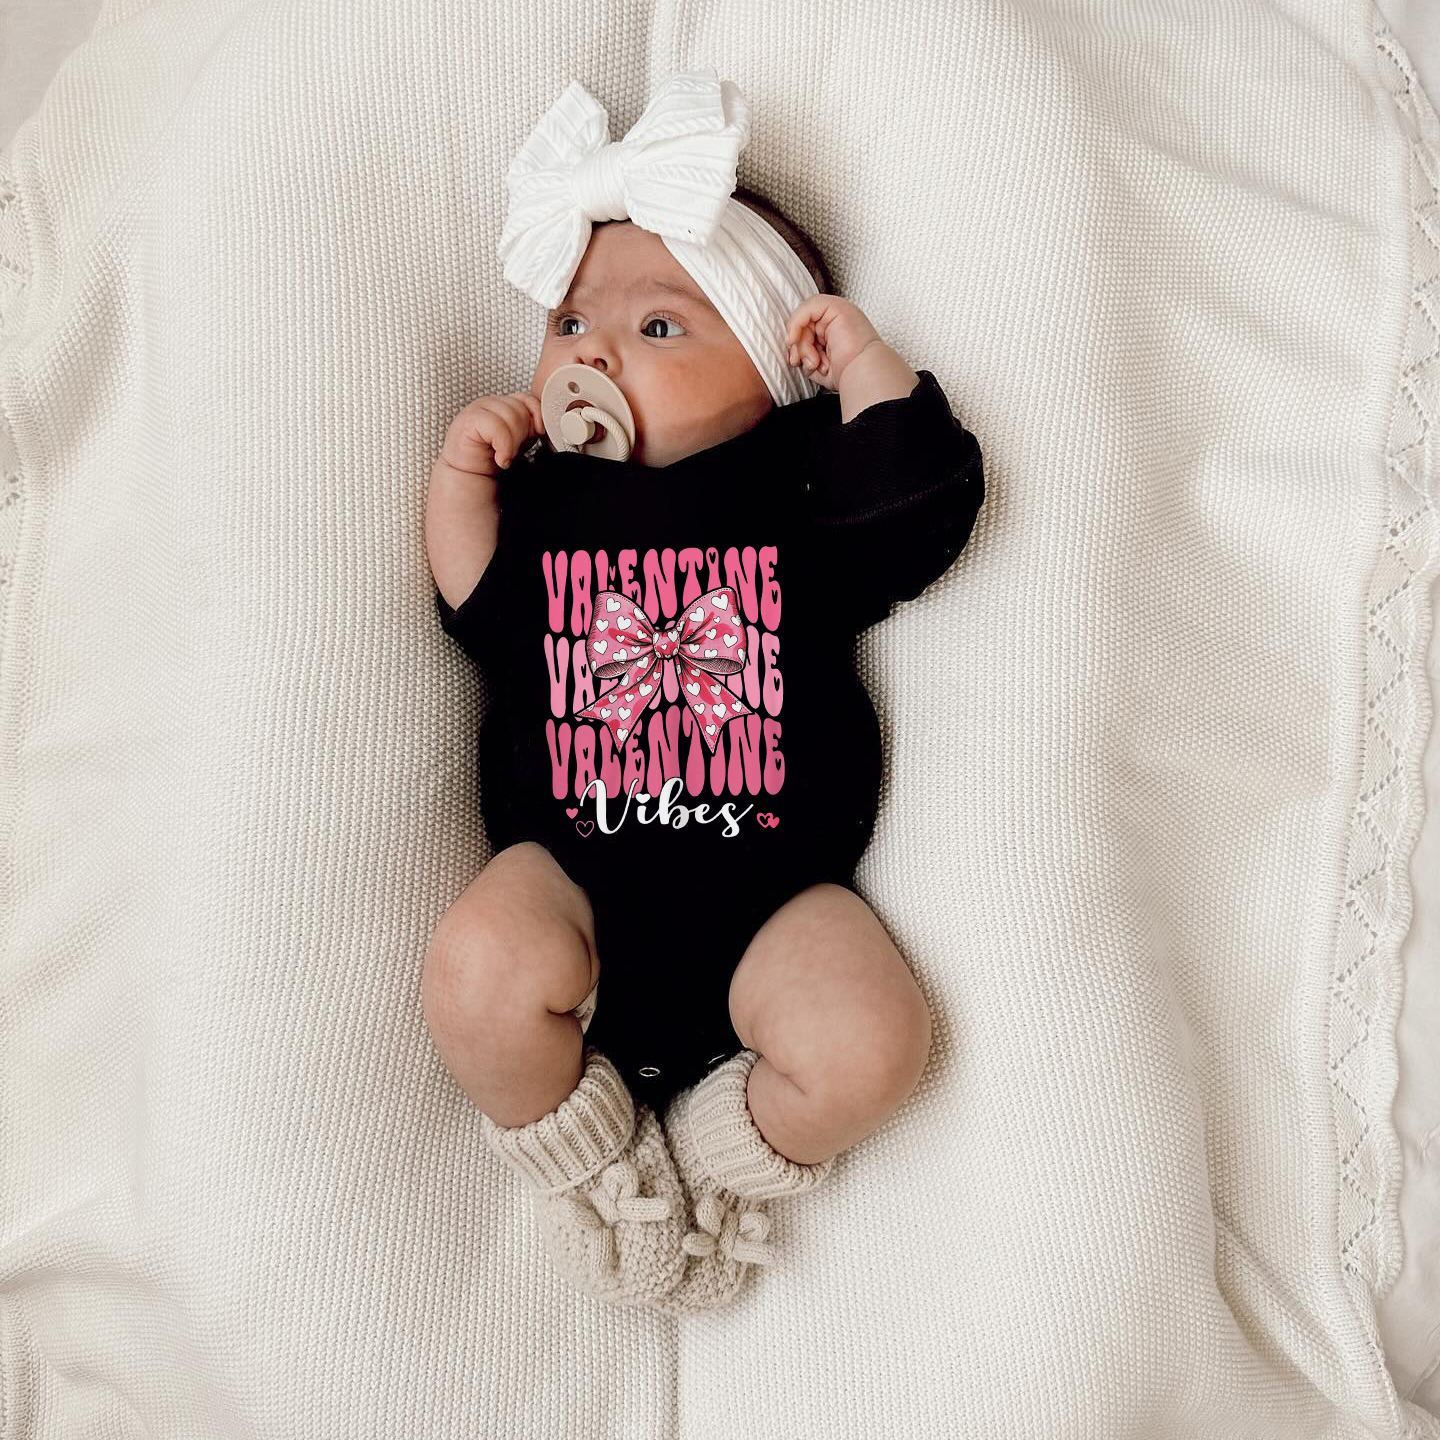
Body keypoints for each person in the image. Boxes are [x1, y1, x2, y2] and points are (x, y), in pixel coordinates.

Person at [421, 69, 984, 1314]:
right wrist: (463, 480)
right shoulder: (549, 507)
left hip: (773, 899)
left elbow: (917, 515)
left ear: (774, 368)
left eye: (659, 328)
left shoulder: (796, 493)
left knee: (873, 1043)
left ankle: (727, 1166)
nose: (595, 353)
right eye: (572, 324)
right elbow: (484, 614)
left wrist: (867, 371)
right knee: (473, 971)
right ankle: (598, 1164)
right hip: (572, 871)